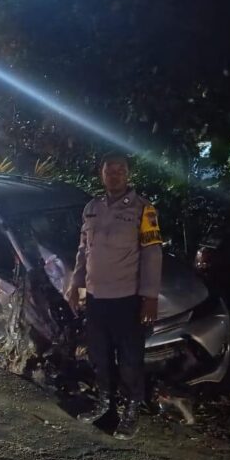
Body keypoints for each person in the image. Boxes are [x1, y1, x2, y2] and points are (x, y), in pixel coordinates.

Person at [64, 154, 163, 439]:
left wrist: (150, 297)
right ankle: (104, 402)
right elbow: (84, 251)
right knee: (99, 355)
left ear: (128, 174)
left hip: (127, 299)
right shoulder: (92, 209)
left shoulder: (143, 209)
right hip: (97, 298)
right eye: (110, 171)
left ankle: (131, 410)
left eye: (120, 171)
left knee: (130, 359)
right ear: (102, 174)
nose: (115, 175)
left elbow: (152, 253)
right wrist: (76, 284)